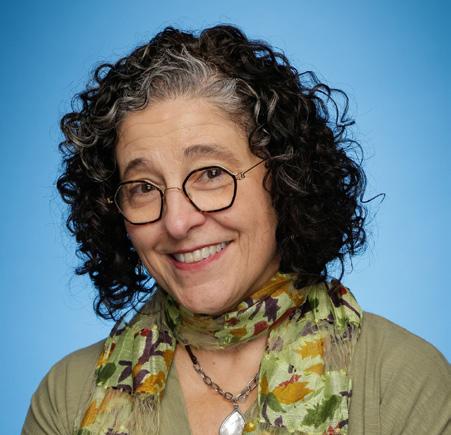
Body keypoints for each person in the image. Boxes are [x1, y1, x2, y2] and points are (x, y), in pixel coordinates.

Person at [22, 25, 450, 435]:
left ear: (284, 177)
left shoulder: (402, 383)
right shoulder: (68, 396)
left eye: (210, 173)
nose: (177, 222)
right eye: (144, 188)